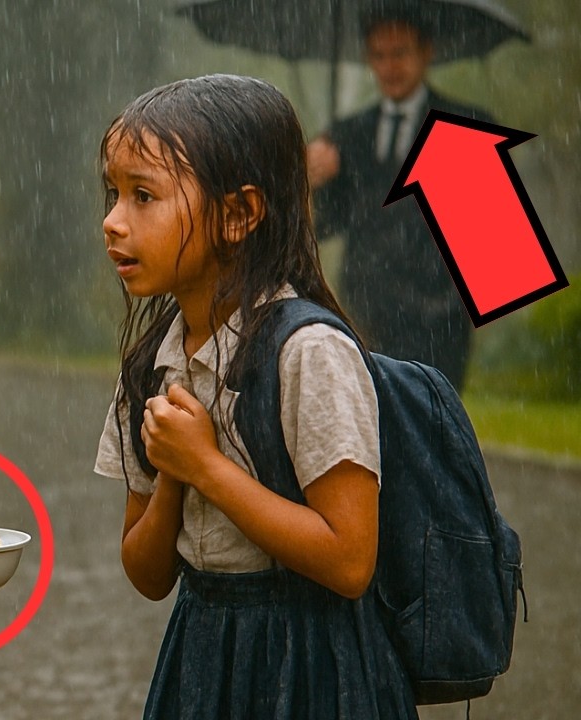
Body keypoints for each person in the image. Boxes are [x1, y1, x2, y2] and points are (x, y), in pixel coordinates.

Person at [93, 74, 417, 718]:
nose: (112, 221)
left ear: (239, 214)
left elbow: (351, 560)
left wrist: (207, 468)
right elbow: (148, 574)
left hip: (313, 663)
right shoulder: (149, 370)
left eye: (143, 196)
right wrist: (173, 479)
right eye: (113, 193)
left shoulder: (308, 353)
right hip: (201, 654)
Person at [307, 12, 493, 392]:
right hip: (363, 313)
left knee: (431, 430)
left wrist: (452, 306)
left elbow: (486, 238)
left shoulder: (466, 123)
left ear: (427, 52)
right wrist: (308, 180)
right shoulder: (347, 133)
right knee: (369, 429)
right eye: (379, 55)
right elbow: (323, 224)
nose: (389, 66)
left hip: (438, 321)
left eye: (400, 52)